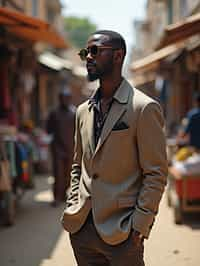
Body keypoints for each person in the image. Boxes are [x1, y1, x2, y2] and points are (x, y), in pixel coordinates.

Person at [62, 30, 168, 266]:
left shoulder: (143, 108)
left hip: (123, 233)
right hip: (83, 231)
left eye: (95, 51)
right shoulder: (82, 111)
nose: (88, 57)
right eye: (85, 52)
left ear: (118, 56)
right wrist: (73, 205)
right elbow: (78, 165)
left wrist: (139, 226)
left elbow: (156, 173)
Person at [46, 88, 75, 207]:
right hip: (58, 148)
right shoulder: (54, 113)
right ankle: (57, 197)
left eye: (67, 98)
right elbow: (48, 129)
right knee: (58, 174)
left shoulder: (74, 112)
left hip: (71, 147)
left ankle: (63, 194)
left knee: (68, 174)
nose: (65, 100)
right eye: (63, 98)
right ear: (59, 99)